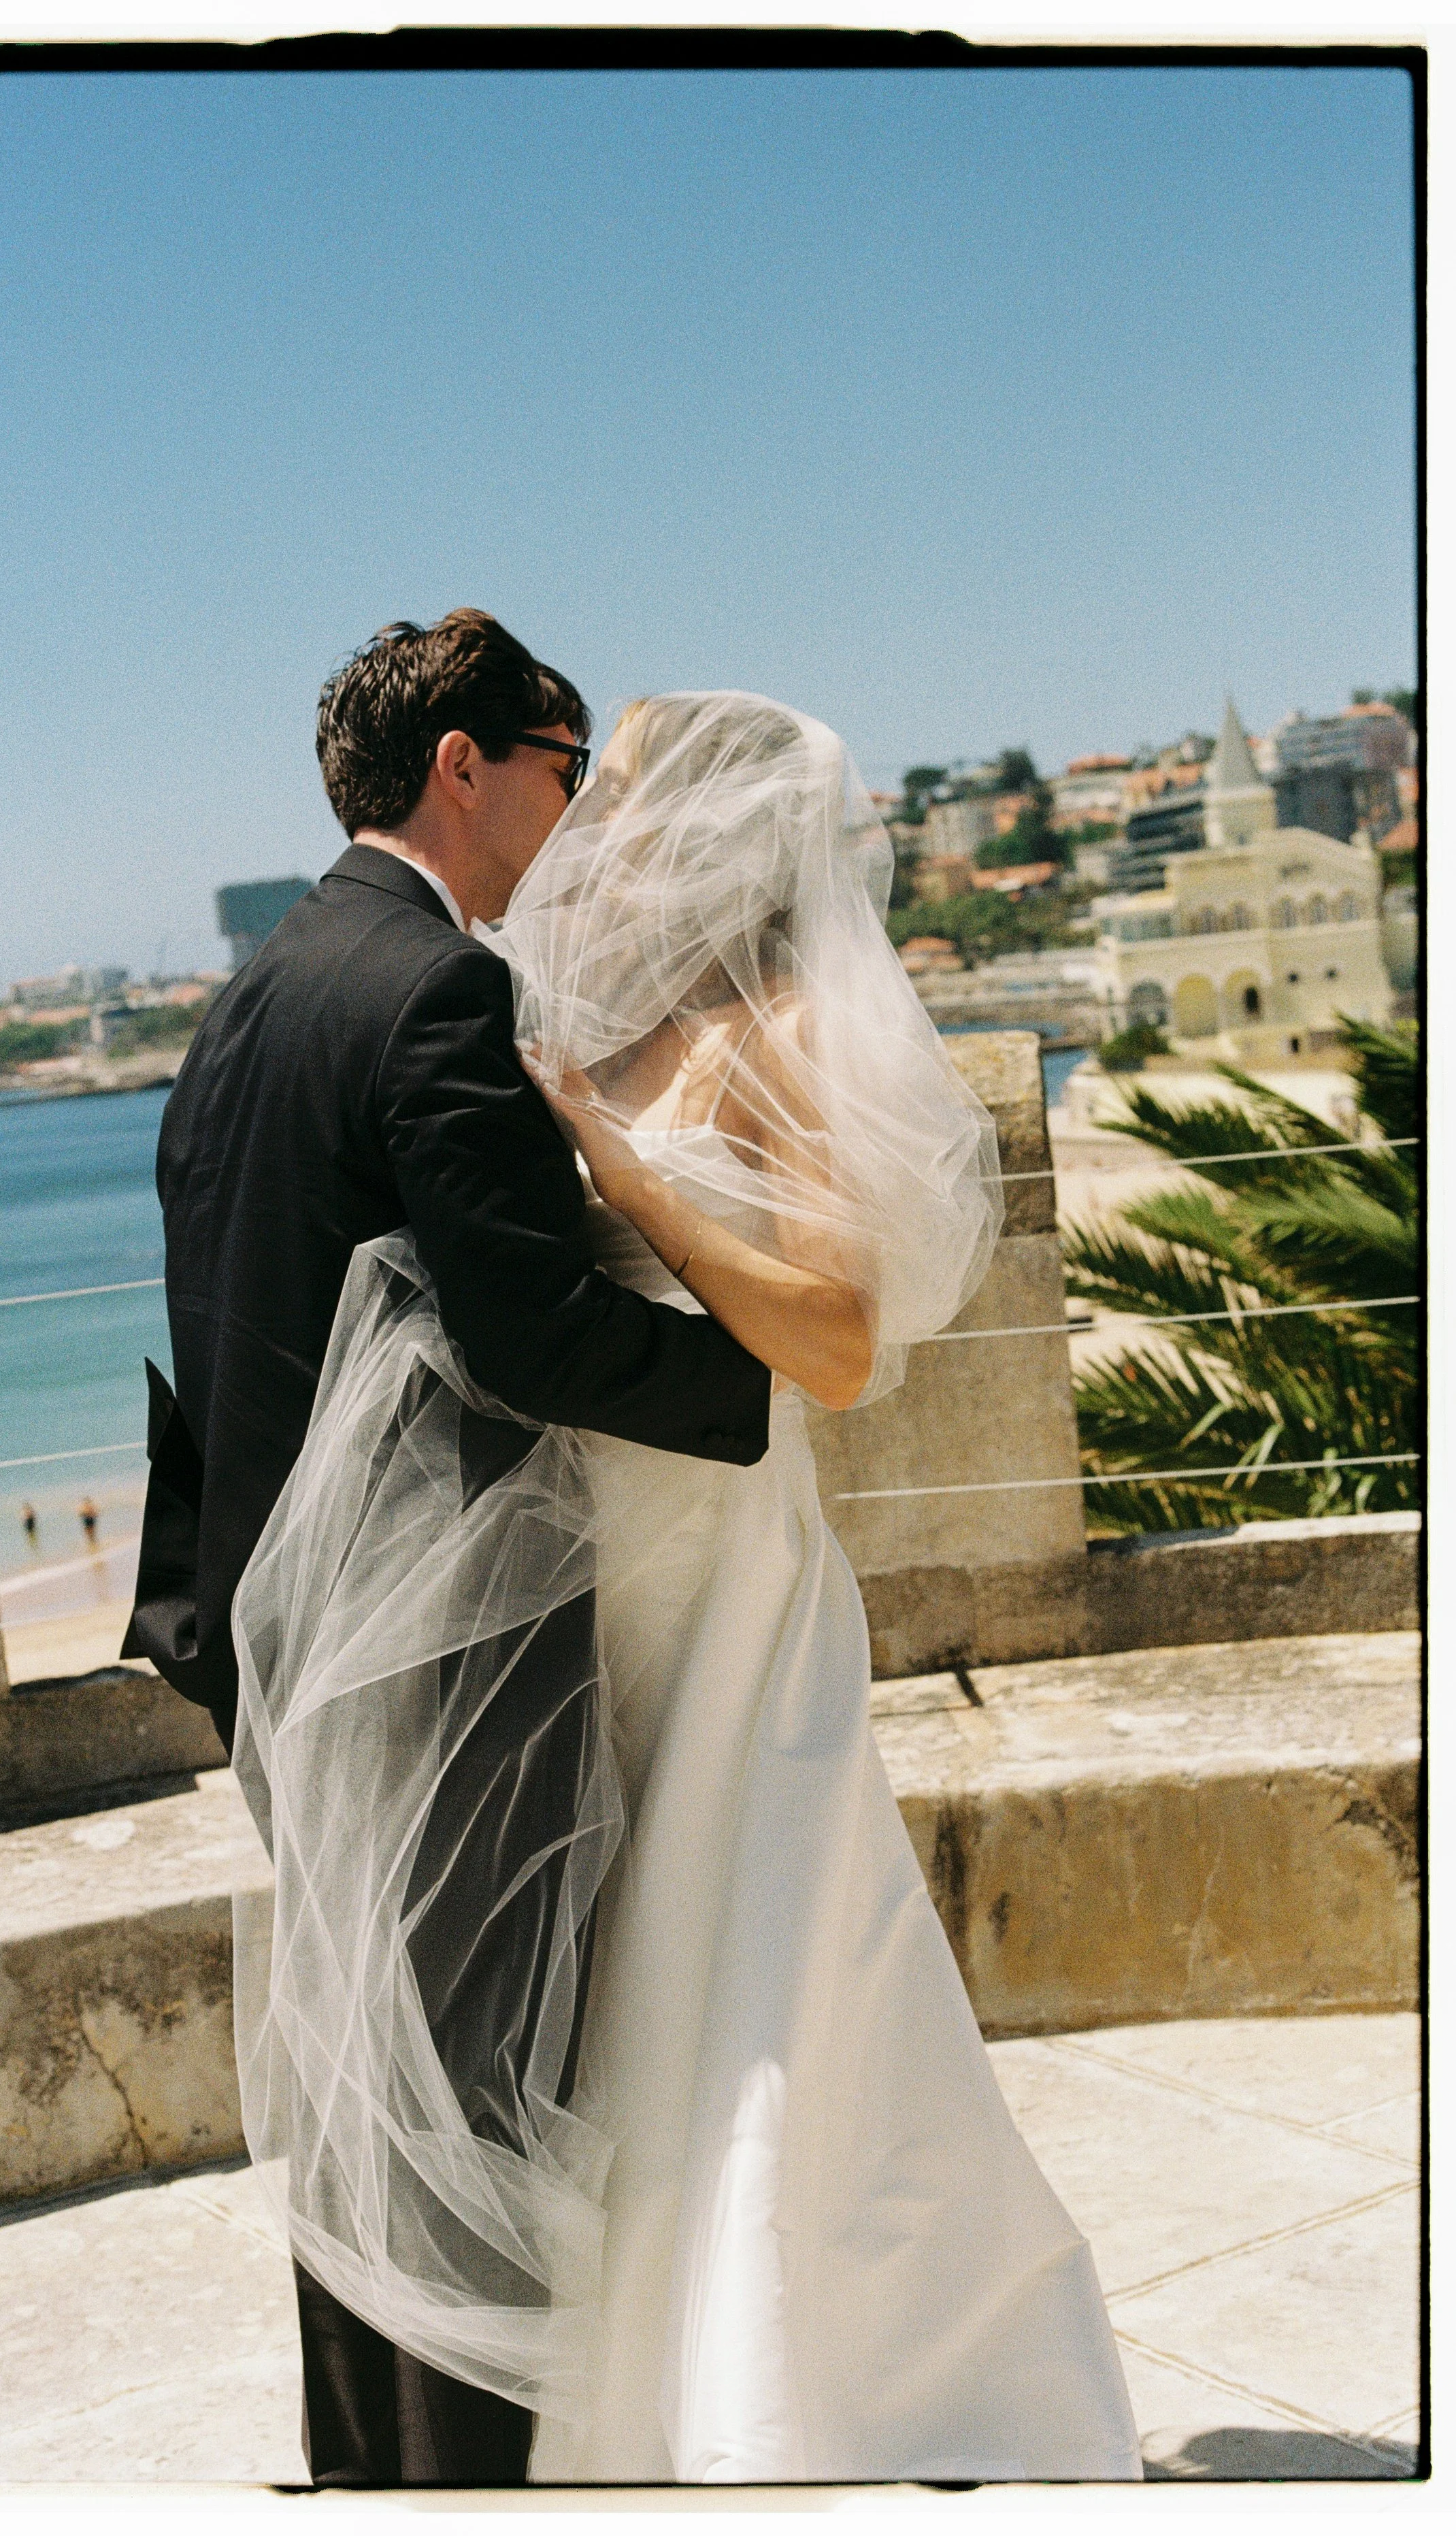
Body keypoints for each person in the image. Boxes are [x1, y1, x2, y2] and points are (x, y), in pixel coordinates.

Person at [231, 691, 1143, 2485]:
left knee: (754, 1949)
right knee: (610, 1975)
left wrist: (623, 1162)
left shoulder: (777, 1029)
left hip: (718, 1559)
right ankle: (615, 2401)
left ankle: (818, 2382)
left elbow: (832, 1339)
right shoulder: (579, 1011)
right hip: (575, 1563)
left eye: (628, 799)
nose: (595, 833)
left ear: (716, 831)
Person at [122, 614, 774, 2488]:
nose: (572, 809)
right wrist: (750, 1381)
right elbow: (522, 1333)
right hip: (435, 1645)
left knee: (366, 2094)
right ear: (464, 764)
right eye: (561, 763)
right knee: (471, 2105)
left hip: (275, 1636)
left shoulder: (249, 997)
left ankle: (359, 2473)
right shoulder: (433, 992)